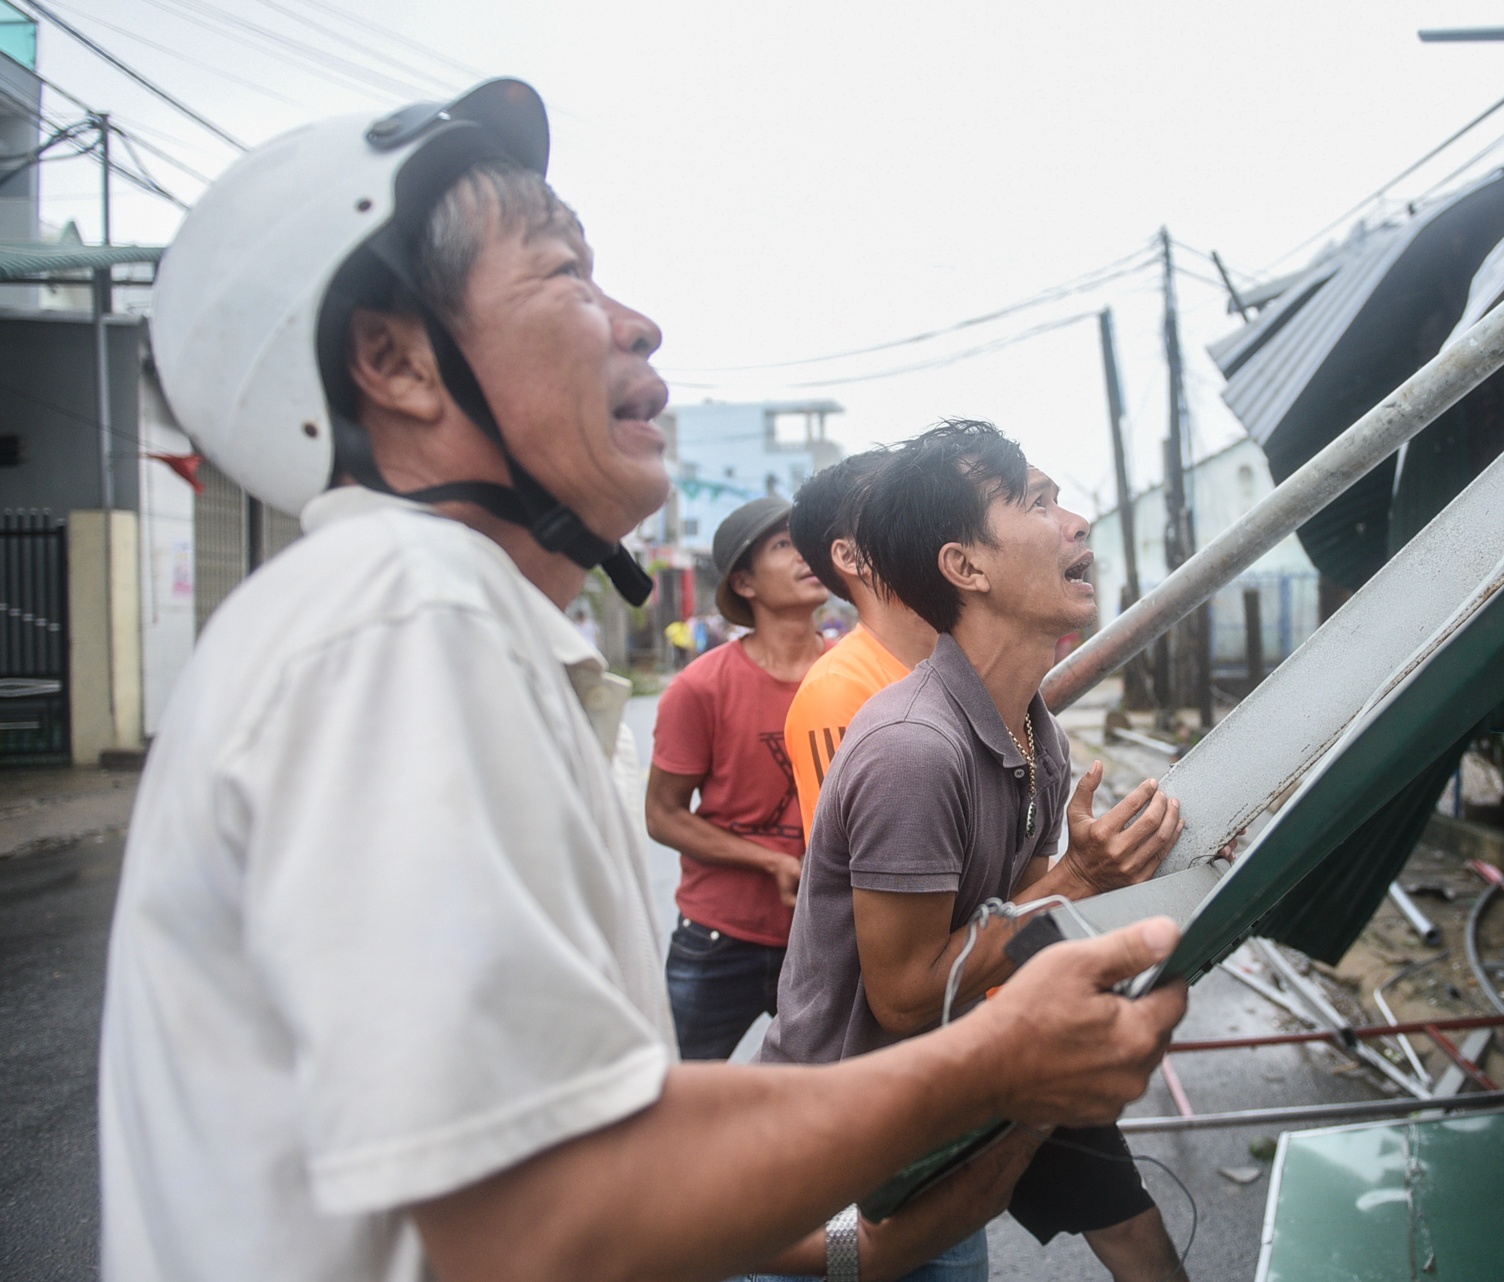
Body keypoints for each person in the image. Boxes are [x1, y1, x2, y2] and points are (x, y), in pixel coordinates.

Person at [99, 81, 1188, 1282]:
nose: (640, 324)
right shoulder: (403, 620)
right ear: (395, 360)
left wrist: (855, 1242)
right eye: (565, 272)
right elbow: (540, 1218)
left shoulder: (450, 626)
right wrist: (986, 1066)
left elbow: (585, 1145)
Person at [762, 421, 1190, 1281]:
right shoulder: (913, 747)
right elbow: (906, 996)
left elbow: (1015, 914)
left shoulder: (1036, 732)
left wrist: (1114, 875)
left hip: (942, 1129)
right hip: (838, 1167)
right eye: (1036, 503)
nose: (1076, 523)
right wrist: (1079, 878)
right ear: (965, 566)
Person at [647, 496, 829, 1060]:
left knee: (837, 1100)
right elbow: (662, 815)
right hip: (717, 938)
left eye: (808, 540)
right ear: (744, 583)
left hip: (825, 940)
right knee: (678, 1095)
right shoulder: (700, 688)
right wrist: (770, 861)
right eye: (783, 545)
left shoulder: (855, 676)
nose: (806, 555)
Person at [783, 450, 938, 838]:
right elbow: (860, 862)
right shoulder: (835, 691)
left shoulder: (966, 664)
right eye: (904, 512)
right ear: (852, 557)